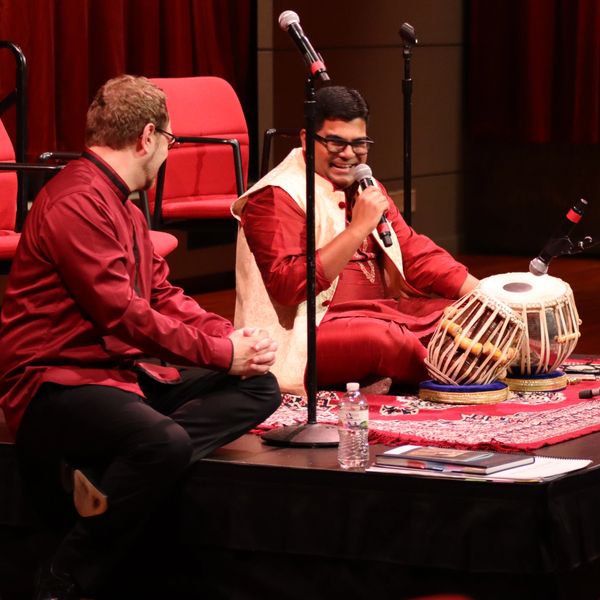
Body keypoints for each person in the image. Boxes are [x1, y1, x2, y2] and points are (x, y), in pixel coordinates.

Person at [0, 74, 280, 600]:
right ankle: (63, 576)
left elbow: (161, 293)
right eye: (172, 142)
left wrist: (230, 337)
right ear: (147, 137)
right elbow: (124, 316)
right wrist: (222, 353)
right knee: (163, 441)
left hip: (115, 374)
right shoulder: (76, 202)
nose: (168, 154)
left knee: (257, 387)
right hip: (54, 384)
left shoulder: (125, 204)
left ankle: (117, 470)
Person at [232, 85, 478, 396]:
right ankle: (462, 375)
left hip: (381, 313)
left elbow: (413, 253)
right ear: (307, 139)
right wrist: (357, 229)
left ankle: (452, 365)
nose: (349, 155)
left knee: (467, 317)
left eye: (359, 144)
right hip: (305, 335)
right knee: (384, 340)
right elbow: (289, 285)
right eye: (336, 142)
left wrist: (483, 295)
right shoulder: (276, 195)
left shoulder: (365, 187)